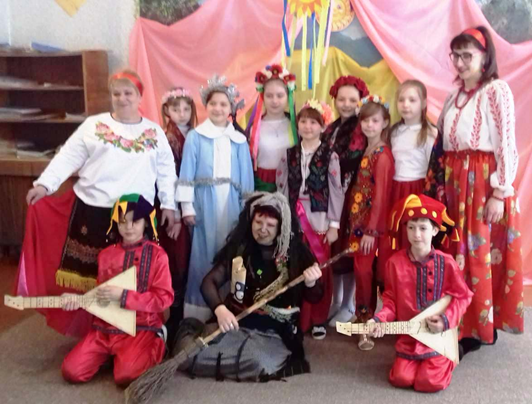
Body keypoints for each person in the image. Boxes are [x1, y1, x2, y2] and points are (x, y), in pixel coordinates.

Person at [16, 69, 177, 336]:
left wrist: (169, 205)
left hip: (135, 218)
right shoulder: (94, 125)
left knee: (133, 275)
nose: (122, 98)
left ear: (140, 96)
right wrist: (45, 184)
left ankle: (135, 330)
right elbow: (69, 156)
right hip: (93, 211)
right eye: (116, 93)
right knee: (92, 275)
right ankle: (94, 332)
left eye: (128, 93)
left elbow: (166, 171)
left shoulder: (154, 132)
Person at [437, 26, 523, 354]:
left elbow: (506, 143)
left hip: (481, 183)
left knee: (477, 254)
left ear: (484, 57)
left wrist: (500, 192)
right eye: (455, 56)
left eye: (467, 56)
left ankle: (476, 329)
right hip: (456, 181)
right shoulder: (454, 95)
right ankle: (461, 320)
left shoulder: (496, 91)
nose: (460, 63)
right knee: (457, 251)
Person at [175, 192, 323, 381]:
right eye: (258, 222)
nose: (262, 229)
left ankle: (235, 359)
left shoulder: (295, 252)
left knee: (258, 362)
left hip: (273, 335)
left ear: (280, 227)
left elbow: (316, 296)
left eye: (270, 225)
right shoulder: (241, 248)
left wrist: (311, 283)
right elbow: (208, 283)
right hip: (236, 326)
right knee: (185, 354)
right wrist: (220, 310)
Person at [61, 194, 174, 386]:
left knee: (126, 376)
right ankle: (113, 355)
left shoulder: (158, 255)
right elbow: (101, 296)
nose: (128, 227)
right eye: (122, 221)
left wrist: (124, 296)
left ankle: (156, 344)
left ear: (146, 223)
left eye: (135, 221)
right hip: (105, 329)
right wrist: (78, 301)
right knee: (71, 371)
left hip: (140, 328)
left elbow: (164, 298)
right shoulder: (106, 255)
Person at [368, 194, 473, 392]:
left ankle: (451, 356)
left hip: (437, 334)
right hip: (409, 337)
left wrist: (445, 320)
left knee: (429, 382)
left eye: (423, 228)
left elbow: (463, 296)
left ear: (435, 230)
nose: (416, 234)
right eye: (411, 227)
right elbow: (390, 301)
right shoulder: (394, 264)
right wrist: (380, 319)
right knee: (400, 378)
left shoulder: (447, 263)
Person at [176, 75, 254, 321]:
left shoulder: (239, 140)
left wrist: (247, 209)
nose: (218, 108)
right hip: (204, 202)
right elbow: (187, 172)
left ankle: (229, 307)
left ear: (231, 108)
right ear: (206, 106)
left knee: (230, 251)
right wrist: (187, 206)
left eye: (223, 104)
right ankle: (199, 311)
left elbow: (246, 177)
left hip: (231, 204)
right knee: (204, 252)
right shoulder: (196, 137)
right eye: (213, 104)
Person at [276, 100, 341, 340]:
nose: (307, 126)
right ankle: (298, 316)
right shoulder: (289, 154)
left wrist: (334, 224)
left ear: (323, 126)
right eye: (303, 121)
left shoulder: (330, 156)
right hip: (294, 216)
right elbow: (282, 186)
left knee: (320, 267)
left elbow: (336, 191)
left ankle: (318, 318)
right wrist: (283, 217)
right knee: (295, 265)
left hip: (320, 218)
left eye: (314, 122)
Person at [347, 95, 394, 350]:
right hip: (359, 226)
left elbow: (381, 197)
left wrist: (371, 232)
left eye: (375, 121)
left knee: (366, 273)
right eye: (365, 120)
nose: (369, 125)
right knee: (360, 271)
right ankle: (361, 314)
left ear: (385, 123)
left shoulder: (382, 155)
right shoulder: (367, 150)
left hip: (370, 230)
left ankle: (368, 323)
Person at [324, 75, 369, 326]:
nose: (346, 104)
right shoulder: (331, 128)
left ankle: (348, 304)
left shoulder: (360, 128)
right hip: (333, 194)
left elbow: (352, 159)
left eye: (352, 100)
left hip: (352, 194)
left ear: (360, 101)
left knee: (348, 246)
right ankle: (336, 299)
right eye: (342, 99)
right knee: (335, 248)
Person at [159, 86, 197, 335]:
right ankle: (174, 316)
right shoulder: (165, 138)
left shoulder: (196, 134)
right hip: (174, 205)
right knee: (178, 258)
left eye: (186, 109)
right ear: (167, 111)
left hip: (195, 200)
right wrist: (174, 215)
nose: (181, 113)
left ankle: (191, 311)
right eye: (176, 108)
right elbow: (168, 178)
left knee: (194, 256)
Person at [388, 80, 437, 250]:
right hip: (395, 189)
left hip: (417, 191)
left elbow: (433, 169)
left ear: (423, 103)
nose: (405, 105)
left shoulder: (429, 133)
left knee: (413, 234)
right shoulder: (393, 132)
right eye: (401, 100)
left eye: (412, 100)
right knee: (396, 232)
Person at [247, 64, 297, 192]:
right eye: (269, 96)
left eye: (280, 96)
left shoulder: (297, 127)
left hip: (290, 186)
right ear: (263, 97)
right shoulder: (255, 129)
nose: (274, 101)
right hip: (263, 187)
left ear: (288, 96)